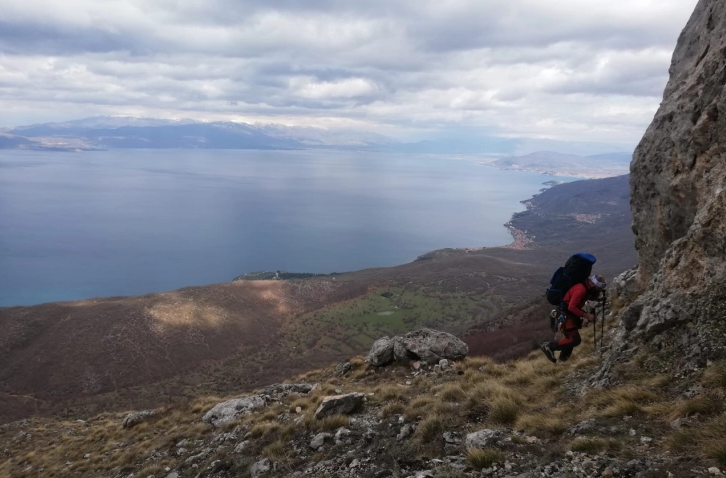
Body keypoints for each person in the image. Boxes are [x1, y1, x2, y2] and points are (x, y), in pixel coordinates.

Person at [541, 274, 606, 363]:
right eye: (598, 288)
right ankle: (549, 346)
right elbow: (571, 307)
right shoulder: (581, 289)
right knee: (574, 339)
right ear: (594, 285)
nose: (598, 291)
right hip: (565, 315)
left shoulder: (586, 287)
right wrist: (587, 316)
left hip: (567, 315)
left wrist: (598, 299)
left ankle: (563, 361)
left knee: (570, 340)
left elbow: (586, 297)